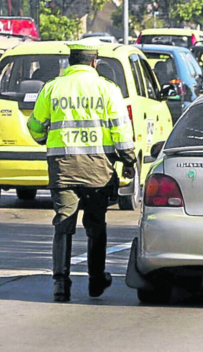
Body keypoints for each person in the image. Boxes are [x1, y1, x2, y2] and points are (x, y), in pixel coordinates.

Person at [26, 41, 135, 302]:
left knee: (64, 222)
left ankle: (60, 284)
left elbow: (35, 127)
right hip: (97, 169)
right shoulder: (108, 89)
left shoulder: (52, 88)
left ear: (70, 63)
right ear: (95, 63)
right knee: (96, 224)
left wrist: (45, 138)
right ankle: (96, 280)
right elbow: (121, 131)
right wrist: (129, 160)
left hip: (63, 167)